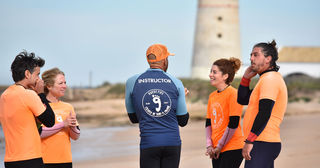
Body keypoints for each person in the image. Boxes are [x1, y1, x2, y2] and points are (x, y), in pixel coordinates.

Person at [125, 44, 189, 168]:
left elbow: (134, 118)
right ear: (165, 60)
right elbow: (183, 120)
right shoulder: (176, 83)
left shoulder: (132, 81)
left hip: (149, 143)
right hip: (172, 143)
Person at [0, 51, 55, 168]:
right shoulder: (28, 95)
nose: (39, 79)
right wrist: (41, 94)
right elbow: (50, 121)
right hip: (31, 159)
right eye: (37, 75)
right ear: (27, 74)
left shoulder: (4, 96)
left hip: (10, 161)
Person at [237, 40, 288, 168]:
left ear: (268, 59)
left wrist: (250, 140)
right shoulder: (266, 79)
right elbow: (242, 100)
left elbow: (265, 112)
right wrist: (245, 79)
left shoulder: (270, 79)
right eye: (251, 55)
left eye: (256, 55)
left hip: (262, 141)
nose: (251, 58)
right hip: (262, 141)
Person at [205, 57, 244, 168]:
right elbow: (208, 123)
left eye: (214, 72)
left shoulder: (233, 94)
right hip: (216, 149)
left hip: (232, 147)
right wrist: (209, 146)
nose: (210, 75)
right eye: (211, 71)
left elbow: (233, 124)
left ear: (225, 76)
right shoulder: (212, 96)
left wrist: (220, 146)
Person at [39, 68, 80, 168]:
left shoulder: (68, 107)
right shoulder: (39, 106)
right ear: (48, 86)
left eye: (65, 83)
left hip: (66, 161)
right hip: (45, 161)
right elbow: (39, 133)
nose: (64, 86)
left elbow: (76, 137)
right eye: (60, 83)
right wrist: (63, 124)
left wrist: (73, 125)